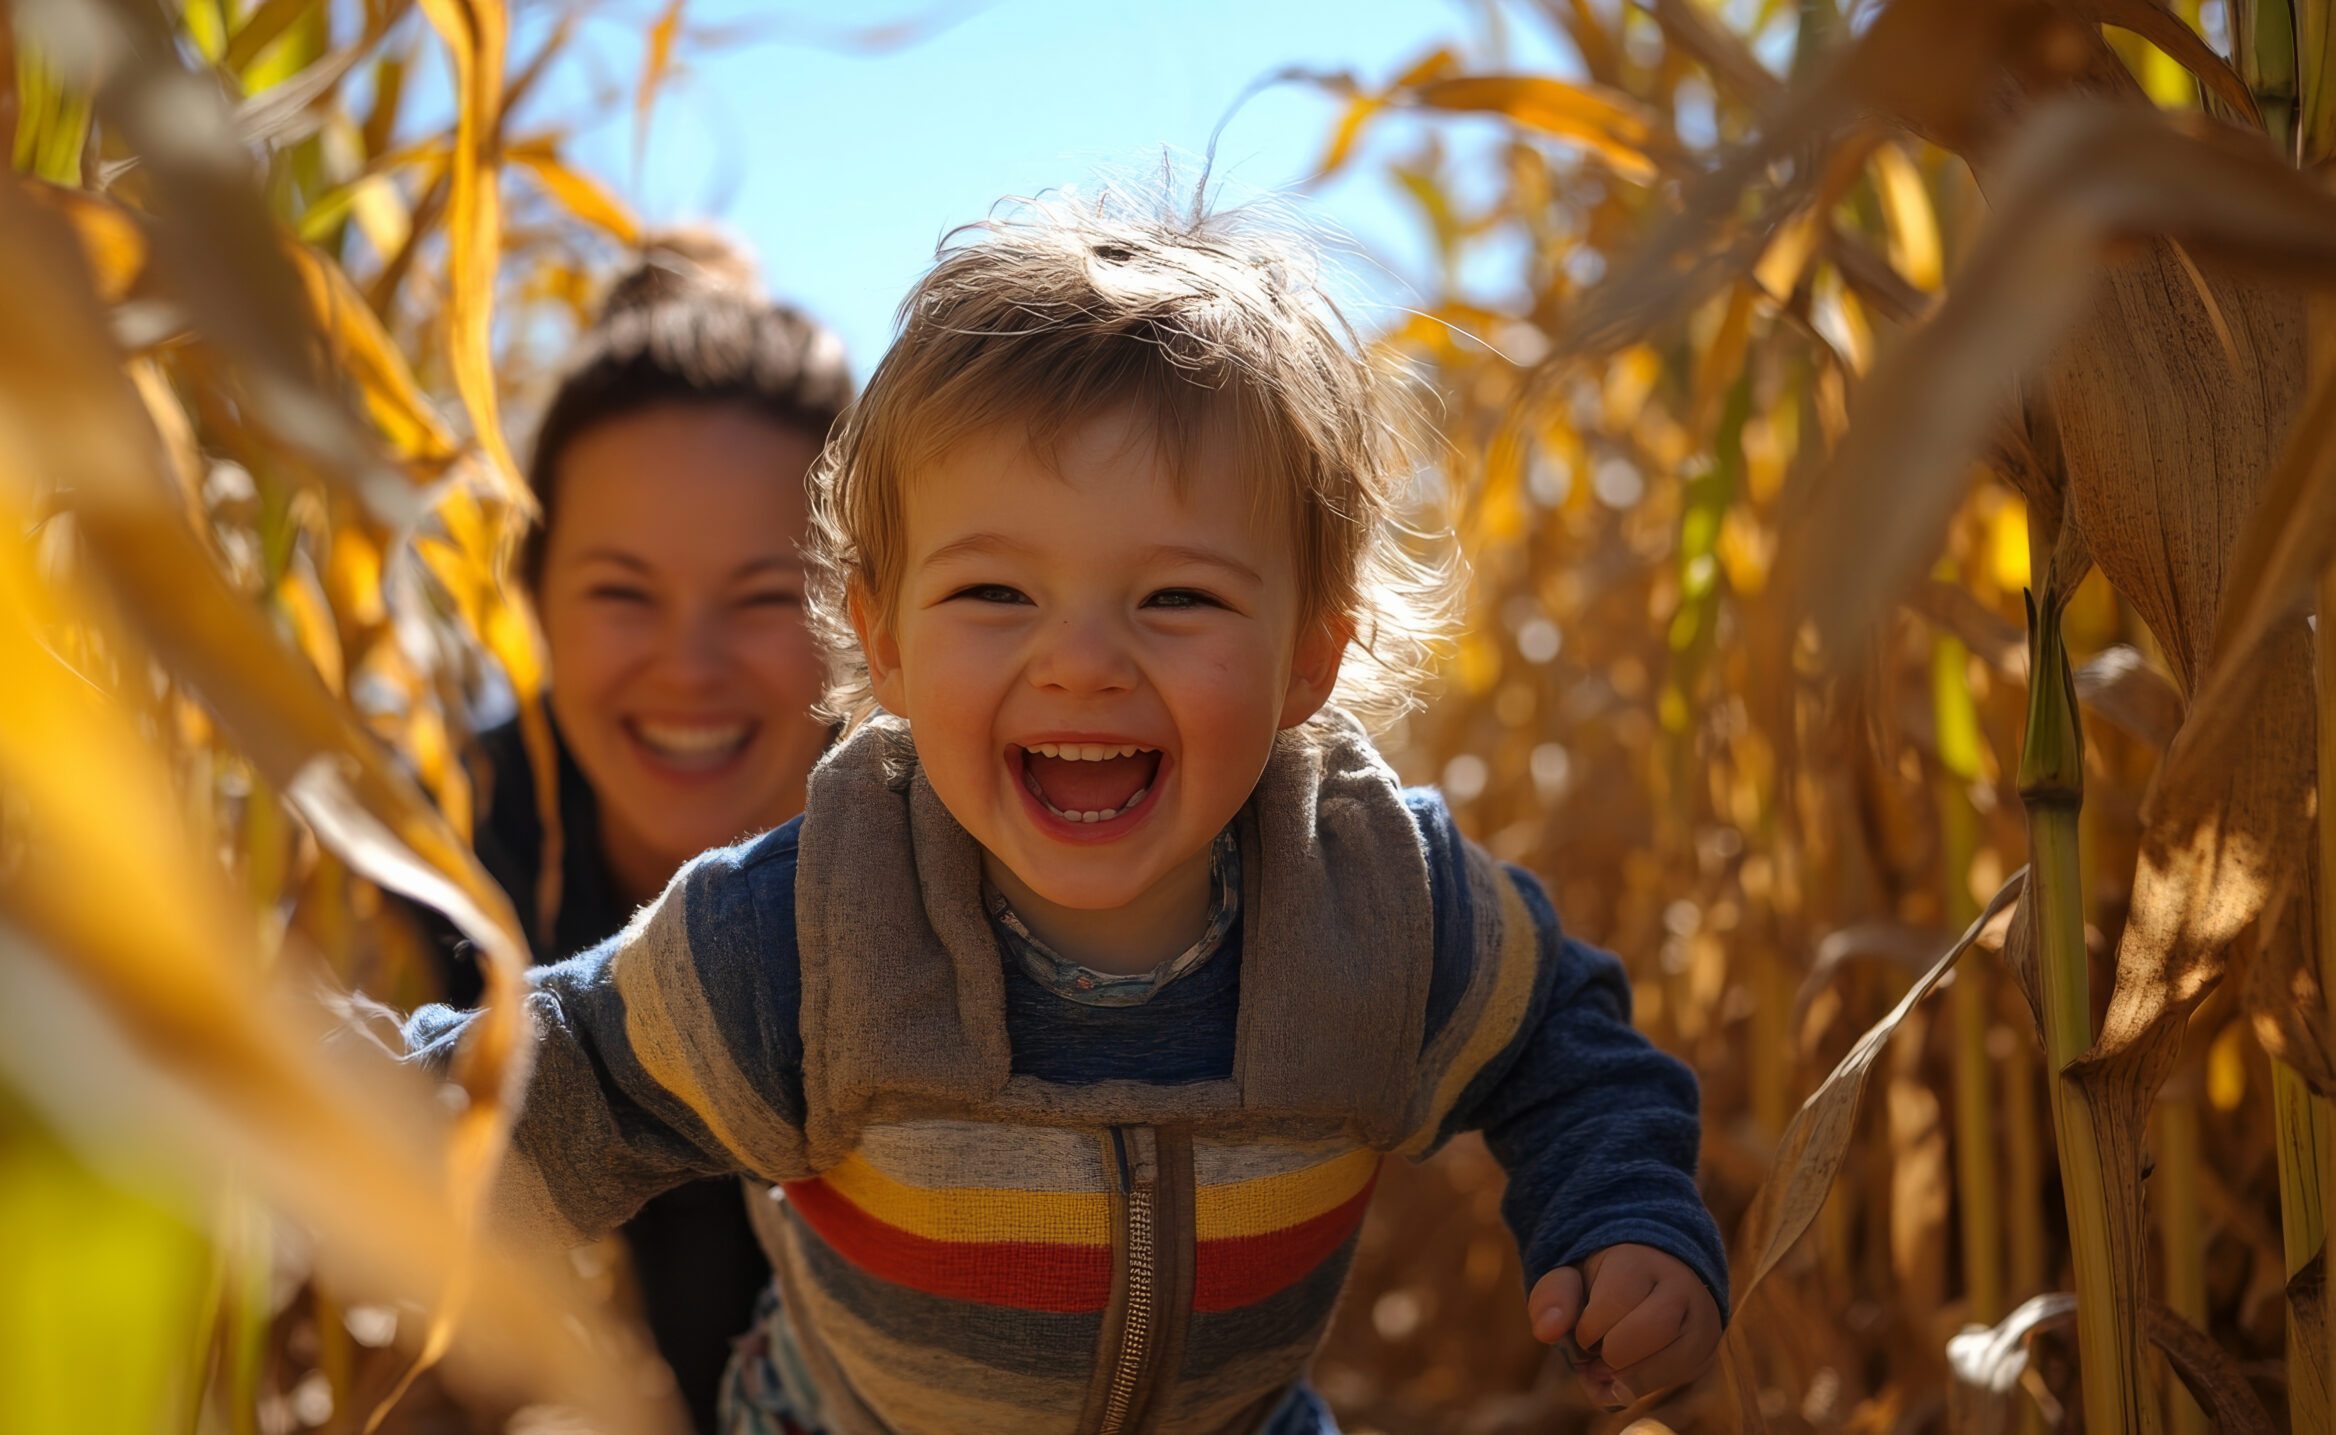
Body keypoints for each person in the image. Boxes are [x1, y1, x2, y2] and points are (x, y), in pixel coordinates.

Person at [407, 195, 1725, 1434]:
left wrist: (1623, 1214)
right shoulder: (814, 930)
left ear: (1311, 654)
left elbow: (1556, 1034)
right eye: (995, 595)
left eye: (1176, 599)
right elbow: (564, 1073)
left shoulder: (1376, 901)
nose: (1082, 661)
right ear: (886, 642)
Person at [437, 229, 851, 1430]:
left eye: (765, 596)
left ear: (858, 602)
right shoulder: (452, 855)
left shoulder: (971, 860)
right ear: (535, 595)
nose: (690, 669)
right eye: (623, 593)